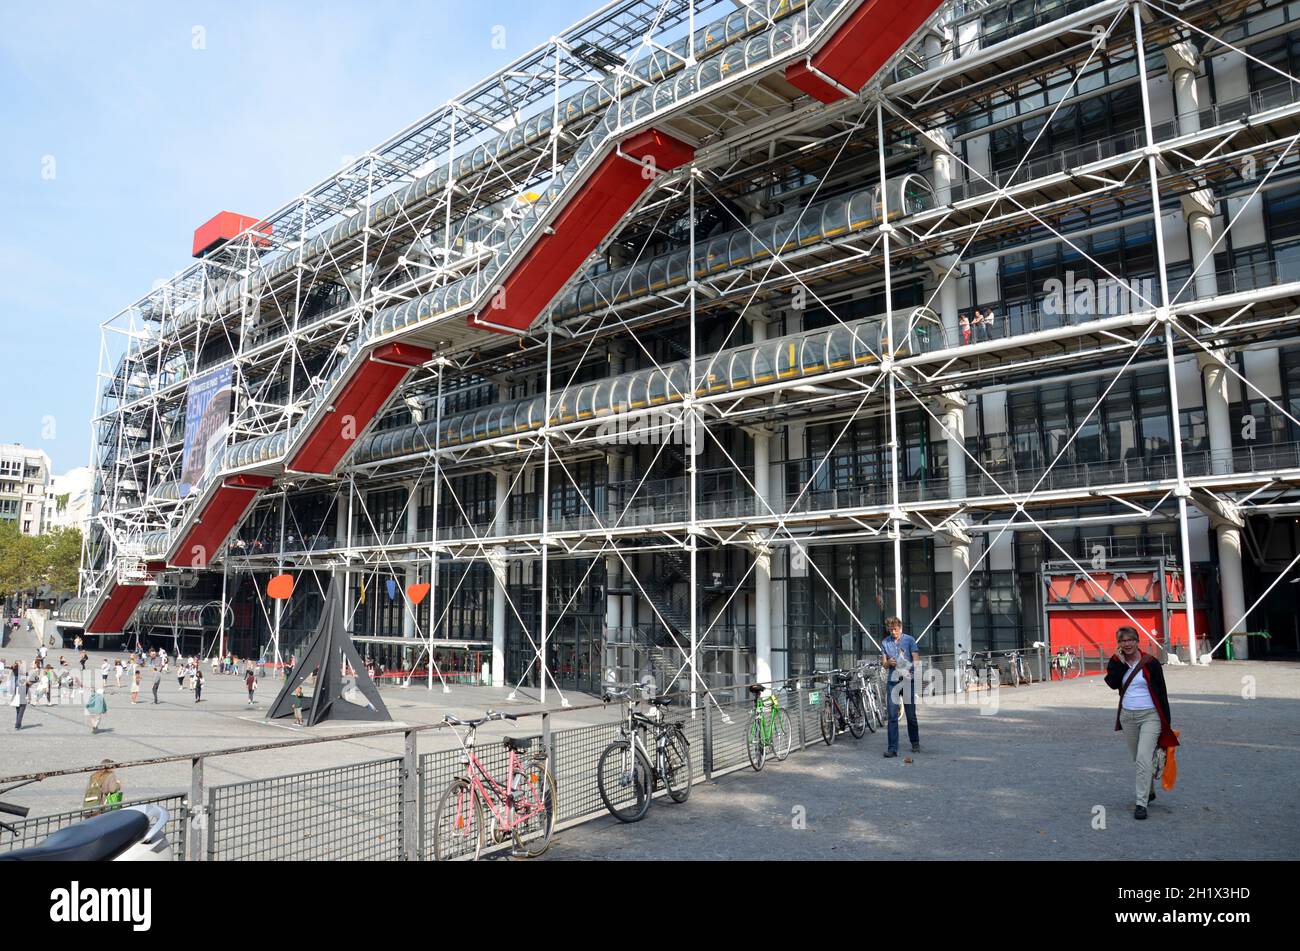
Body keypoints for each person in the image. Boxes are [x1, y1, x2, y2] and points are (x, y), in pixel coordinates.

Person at [1104, 626, 1179, 820]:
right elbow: (1112, 683)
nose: (1127, 644)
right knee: (1138, 759)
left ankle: (1141, 803)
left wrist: (1166, 724)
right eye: (1122, 641)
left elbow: (1162, 693)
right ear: (1118, 644)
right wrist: (1120, 664)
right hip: (1127, 716)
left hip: (1150, 716)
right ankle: (1150, 790)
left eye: (1130, 640)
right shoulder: (1115, 662)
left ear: (1138, 641)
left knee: (1144, 758)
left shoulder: (1151, 662)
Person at [880, 615, 921, 758]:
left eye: (895, 630)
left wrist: (911, 672)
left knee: (911, 715)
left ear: (900, 628)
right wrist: (888, 663)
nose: (893, 632)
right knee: (892, 716)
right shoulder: (885, 642)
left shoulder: (909, 640)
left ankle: (915, 742)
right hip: (892, 682)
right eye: (891, 630)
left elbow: (916, 659)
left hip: (907, 680)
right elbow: (883, 664)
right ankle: (892, 748)